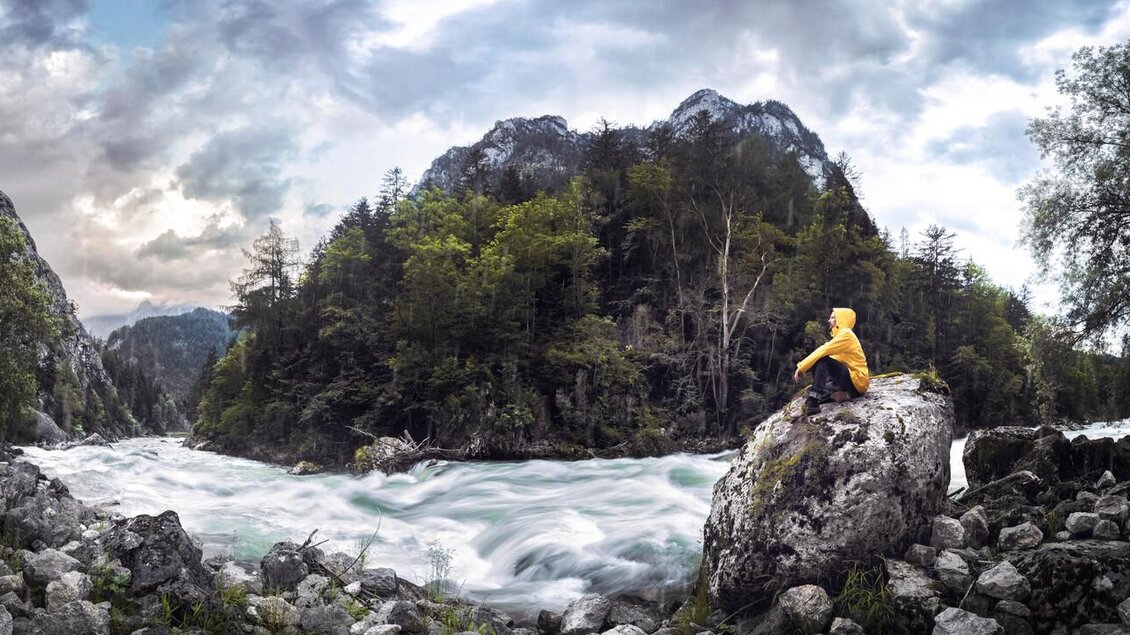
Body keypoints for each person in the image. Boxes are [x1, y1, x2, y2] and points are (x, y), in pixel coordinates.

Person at [792, 307, 870, 416]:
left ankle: (813, 404)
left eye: (833, 318)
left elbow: (824, 350)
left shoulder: (847, 334)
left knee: (823, 360)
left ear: (842, 320)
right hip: (849, 381)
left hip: (856, 380)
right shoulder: (840, 336)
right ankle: (847, 394)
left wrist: (801, 368)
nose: (829, 320)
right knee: (811, 390)